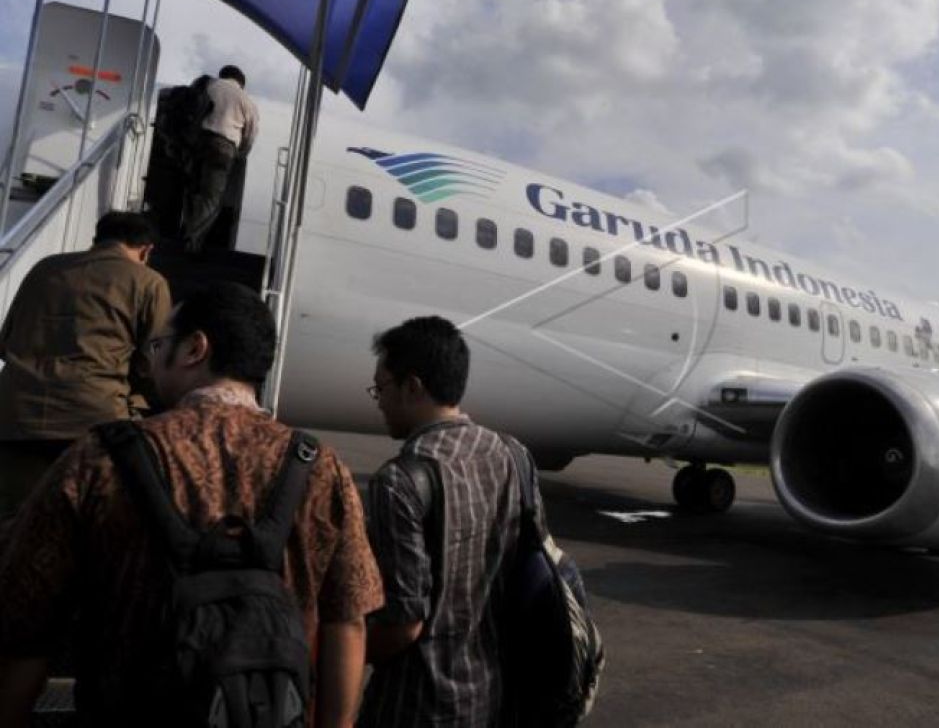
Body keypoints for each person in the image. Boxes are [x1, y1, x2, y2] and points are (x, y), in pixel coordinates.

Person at [0, 282, 384, 726]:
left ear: (194, 349)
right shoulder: (320, 468)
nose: (149, 359)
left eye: (158, 344)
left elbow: (25, 624)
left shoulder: (99, 458)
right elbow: (348, 622)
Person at [358, 316, 538, 728]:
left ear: (412, 387)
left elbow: (404, 624)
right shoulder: (513, 454)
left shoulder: (399, 481)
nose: (379, 400)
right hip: (490, 694)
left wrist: (337, 651)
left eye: (381, 387)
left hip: (416, 704)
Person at [0, 211, 171, 520]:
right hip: (93, 422)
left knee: (13, 528)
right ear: (146, 251)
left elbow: (6, 341)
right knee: (82, 529)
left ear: (97, 239)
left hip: (15, 419)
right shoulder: (148, 282)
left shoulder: (45, 269)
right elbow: (153, 365)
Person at [183, 64, 259, 251]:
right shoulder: (246, 101)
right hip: (223, 150)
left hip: (198, 142)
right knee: (211, 198)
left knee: (193, 190)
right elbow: (251, 134)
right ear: (241, 83)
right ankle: (192, 240)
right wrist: (241, 153)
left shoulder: (209, 85)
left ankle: (185, 228)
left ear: (223, 75)